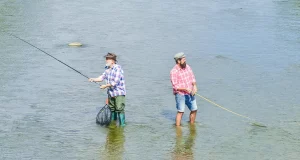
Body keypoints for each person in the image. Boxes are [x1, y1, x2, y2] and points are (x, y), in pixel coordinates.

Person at [89, 53, 126, 126]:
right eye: (106, 59)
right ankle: (113, 124)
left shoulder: (117, 68)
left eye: (107, 59)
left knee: (119, 108)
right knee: (112, 109)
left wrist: (105, 86)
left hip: (119, 93)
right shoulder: (107, 69)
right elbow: (101, 78)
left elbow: (115, 81)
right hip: (111, 93)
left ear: (113, 61)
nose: (106, 61)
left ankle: (122, 126)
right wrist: (93, 79)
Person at [170, 52, 198, 126]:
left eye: (185, 59)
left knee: (194, 109)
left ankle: (192, 125)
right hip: (180, 94)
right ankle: (178, 128)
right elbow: (175, 86)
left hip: (190, 93)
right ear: (178, 61)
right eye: (183, 60)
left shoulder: (187, 67)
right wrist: (185, 89)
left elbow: (192, 78)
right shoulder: (173, 71)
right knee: (181, 111)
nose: (185, 61)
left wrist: (194, 86)